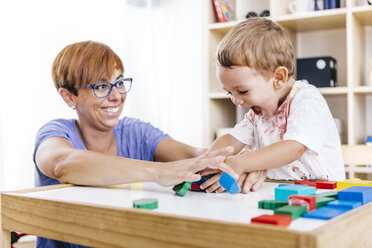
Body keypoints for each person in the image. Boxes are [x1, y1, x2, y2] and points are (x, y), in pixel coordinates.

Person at [33, 40, 240, 248]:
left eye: (119, 83)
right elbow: (63, 163)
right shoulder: (55, 133)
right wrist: (158, 172)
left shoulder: (136, 131)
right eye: (101, 86)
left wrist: (246, 163)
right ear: (69, 97)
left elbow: (195, 156)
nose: (116, 96)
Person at [199, 17, 346, 194]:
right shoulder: (257, 114)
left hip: (325, 195)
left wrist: (242, 162)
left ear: (278, 78)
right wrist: (210, 160)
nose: (236, 101)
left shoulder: (306, 100)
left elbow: (294, 147)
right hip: (282, 193)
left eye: (243, 91)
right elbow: (232, 140)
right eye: (230, 93)